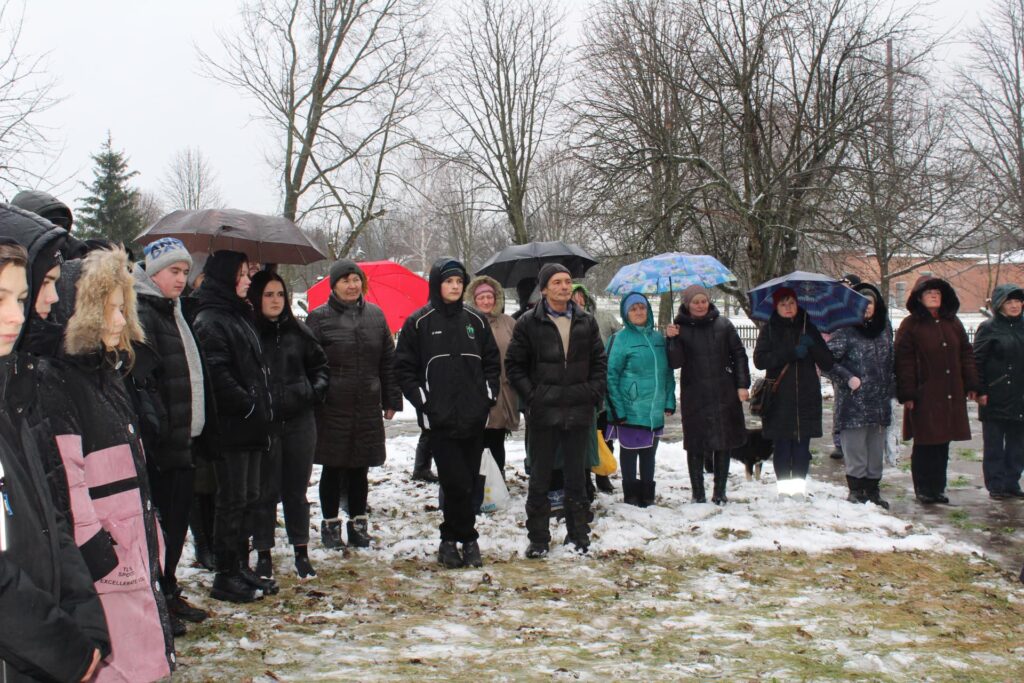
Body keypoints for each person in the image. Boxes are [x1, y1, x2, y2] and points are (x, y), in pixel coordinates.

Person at [42, 247, 174, 682]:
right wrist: (101, 552)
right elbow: (67, 478)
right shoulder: (61, 384)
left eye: (123, 309)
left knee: (140, 657)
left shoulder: (108, 376)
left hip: (129, 545)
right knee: (118, 662)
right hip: (107, 564)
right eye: (111, 309)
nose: (120, 321)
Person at [0, 238, 108, 683]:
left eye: (19, 299)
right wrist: (63, 647)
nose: (15, 316)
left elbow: (51, 520)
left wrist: (86, 619)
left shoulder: (14, 398)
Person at [130, 238, 213, 636]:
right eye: (173, 272)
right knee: (163, 526)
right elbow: (145, 382)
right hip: (162, 443)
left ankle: (169, 588)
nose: (181, 279)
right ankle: (158, 598)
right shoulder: (144, 312)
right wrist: (160, 431)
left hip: (184, 436)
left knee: (177, 523)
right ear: (152, 272)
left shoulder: (174, 310)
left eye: (184, 271)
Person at [394, 258, 499, 569]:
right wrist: (422, 400)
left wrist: (487, 396)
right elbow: (404, 367)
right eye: (449, 281)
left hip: (473, 416)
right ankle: (468, 539)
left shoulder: (476, 321)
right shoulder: (419, 322)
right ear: (437, 284)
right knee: (455, 482)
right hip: (438, 419)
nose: (454, 287)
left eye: (459, 282)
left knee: (467, 480)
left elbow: (492, 362)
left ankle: (450, 541)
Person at [506, 263, 607, 558]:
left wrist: (591, 393)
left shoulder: (586, 321)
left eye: (567, 282)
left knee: (577, 479)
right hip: (543, 413)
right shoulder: (528, 322)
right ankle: (538, 539)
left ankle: (578, 536)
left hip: (578, 412)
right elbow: (514, 365)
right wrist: (534, 396)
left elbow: (600, 362)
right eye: (557, 282)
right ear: (545, 289)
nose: (564, 287)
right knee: (539, 478)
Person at [192, 250, 276, 601]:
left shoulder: (238, 314)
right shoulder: (211, 318)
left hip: (251, 426)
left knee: (249, 498)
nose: (247, 280)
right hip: (232, 427)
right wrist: (249, 403)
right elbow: (218, 372)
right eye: (241, 274)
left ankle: (241, 566)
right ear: (226, 277)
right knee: (232, 500)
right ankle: (226, 573)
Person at [307, 260, 400, 551]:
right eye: (345, 280)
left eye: (356, 279)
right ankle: (330, 525)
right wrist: (318, 393)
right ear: (333, 285)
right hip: (332, 406)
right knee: (333, 468)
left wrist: (391, 398)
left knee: (361, 467)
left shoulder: (375, 315)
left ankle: (358, 526)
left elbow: (388, 360)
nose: (352, 285)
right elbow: (309, 362)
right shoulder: (318, 318)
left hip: (366, 404)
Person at [248, 270, 329, 576]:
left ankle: (301, 550)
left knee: (296, 491)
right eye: (268, 295)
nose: (275, 301)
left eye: (280, 294)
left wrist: (311, 392)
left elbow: (321, 368)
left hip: (299, 422)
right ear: (257, 297)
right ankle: (264, 552)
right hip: (264, 424)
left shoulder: (300, 332)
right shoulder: (249, 333)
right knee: (265, 492)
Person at [895, 277, 979, 505]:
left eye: (938, 293)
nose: (934, 296)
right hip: (925, 393)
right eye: (929, 292)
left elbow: (966, 354)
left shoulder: (953, 323)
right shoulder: (910, 325)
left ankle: (937, 488)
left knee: (943, 442)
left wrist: (971, 384)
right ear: (919, 297)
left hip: (950, 392)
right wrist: (909, 392)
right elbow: (904, 361)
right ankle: (923, 488)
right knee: (925, 442)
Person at [666, 285, 748, 505]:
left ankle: (720, 492)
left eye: (703, 301)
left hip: (724, 392)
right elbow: (675, 363)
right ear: (687, 304)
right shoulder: (680, 328)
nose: (700, 305)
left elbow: (739, 354)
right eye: (695, 302)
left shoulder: (724, 325)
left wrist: (742, 384)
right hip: (695, 393)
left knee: (723, 441)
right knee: (695, 443)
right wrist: (672, 340)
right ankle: (698, 493)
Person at [752, 288, 834, 497]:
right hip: (779, 398)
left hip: (806, 397)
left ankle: (798, 491)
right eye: (783, 304)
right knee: (782, 445)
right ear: (776, 307)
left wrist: (812, 345)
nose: (788, 308)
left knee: (801, 446)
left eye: (791, 304)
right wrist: (791, 352)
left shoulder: (809, 328)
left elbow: (827, 361)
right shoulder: (769, 329)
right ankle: (783, 490)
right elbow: (760, 360)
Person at [825, 283, 895, 508]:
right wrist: (847, 378)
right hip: (854, 402)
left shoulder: (884, 328)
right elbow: (827, 361)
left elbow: (891, 359)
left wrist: (893, 385)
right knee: (855, 449)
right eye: (861, 303)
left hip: (879, 401)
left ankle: (873, 490)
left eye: (870, 303)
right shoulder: (845, 330)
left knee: (875, 449)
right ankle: (856, 490)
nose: (866, 308)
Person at [605, 292, 675, 507]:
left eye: (642, 308)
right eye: (633, 309)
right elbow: (610, 375)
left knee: (649, 454)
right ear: (626, 313)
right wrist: (617, 410)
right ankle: (631, 494)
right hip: (630, 408)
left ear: (648, 310)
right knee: (629, 453)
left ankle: (647, 493)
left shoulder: (659, 339)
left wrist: (669, 400)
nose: (638, 312)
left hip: (653, 410)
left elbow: (668, 373)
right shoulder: (619, 339)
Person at [973, 284, 1024, 500]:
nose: (1014, 306)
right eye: (1008, 302)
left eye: (1017, 301)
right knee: (994, 443)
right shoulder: (989, 328)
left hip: (1020, 395)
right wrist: (980, 389)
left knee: (1018, 444)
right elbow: (977, 361)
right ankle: (995, 484)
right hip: (995, 394)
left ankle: (1012, 482)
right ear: (999, 305)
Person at [465, 276, 520, 477]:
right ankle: (479, 478)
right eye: (482, 298)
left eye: (490, 297)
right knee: (480, 436)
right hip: (477, 390)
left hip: (505, 390)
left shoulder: (508, 323)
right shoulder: (467, 322)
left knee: (497, 435)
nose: (487, 301)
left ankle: (497, 476)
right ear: (474, 299)